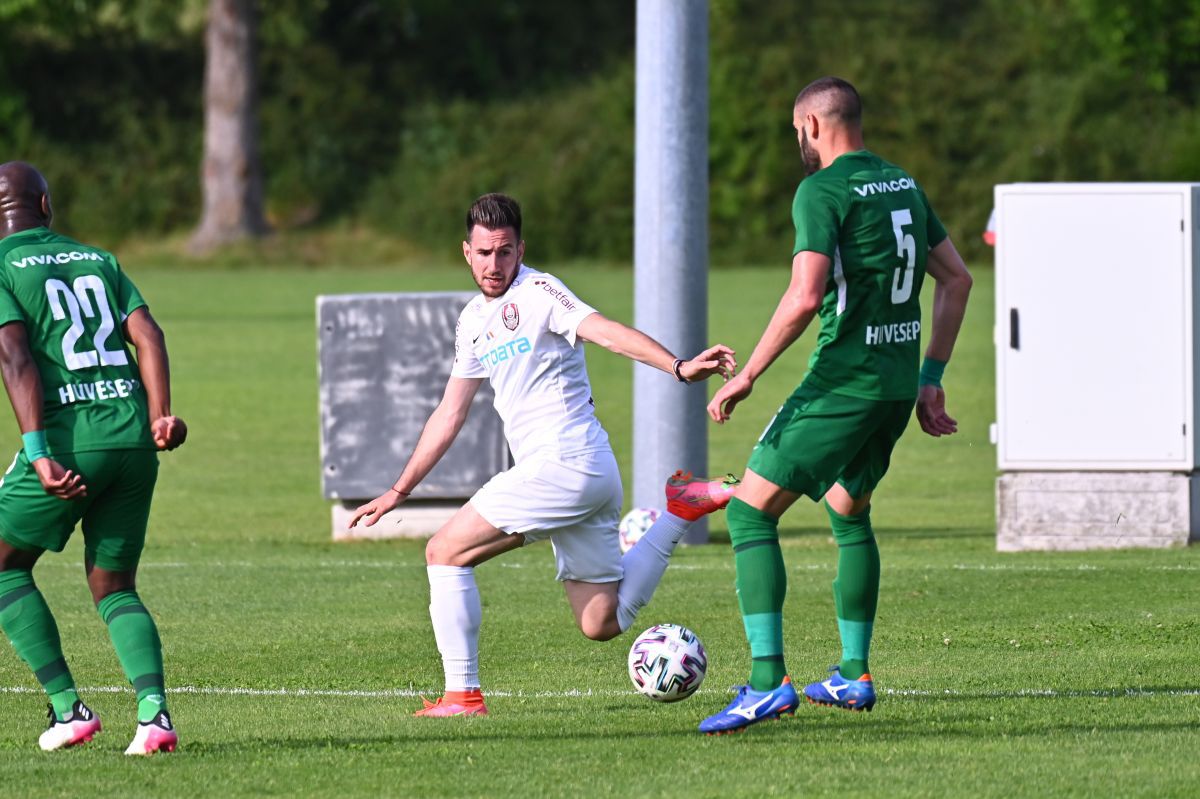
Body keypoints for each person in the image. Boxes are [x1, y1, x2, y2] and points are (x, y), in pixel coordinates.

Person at [349, 193, 739, 717]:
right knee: (601, 622)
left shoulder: (540, 292)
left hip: (564, 464)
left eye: (505, 252)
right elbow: (450, 413)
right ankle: (679, 510)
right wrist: (400, 489)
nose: (494, 264)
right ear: (466, 252)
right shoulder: (472, 321)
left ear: (521, 250)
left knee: (444, 552)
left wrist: (679, 367)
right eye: (484, 253)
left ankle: (462, 696)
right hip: (589, 474)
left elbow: (607, 333)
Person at [697, 78, 973, 734]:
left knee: (748, 513)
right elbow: (957, 278)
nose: (798, 140)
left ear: (813, 126)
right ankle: (853, 673)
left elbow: (803, 295)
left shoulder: (821, 190)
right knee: (849, 512)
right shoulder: (902, 183)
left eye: (797, 130)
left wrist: (748, 374)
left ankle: (768, 682)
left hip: (844, 383)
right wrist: (931, 377)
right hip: (895, 386)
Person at [0, 162, 186, 754]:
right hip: (134, 440)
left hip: (71, 444)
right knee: (114, 586)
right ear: (45, 205)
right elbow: (149, 335)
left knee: (3, 566)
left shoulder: (1, 266)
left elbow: (15, 358)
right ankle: (154, 717)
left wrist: (38, 454)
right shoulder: (98, 258)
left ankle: (68, 709)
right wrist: (161, 415)